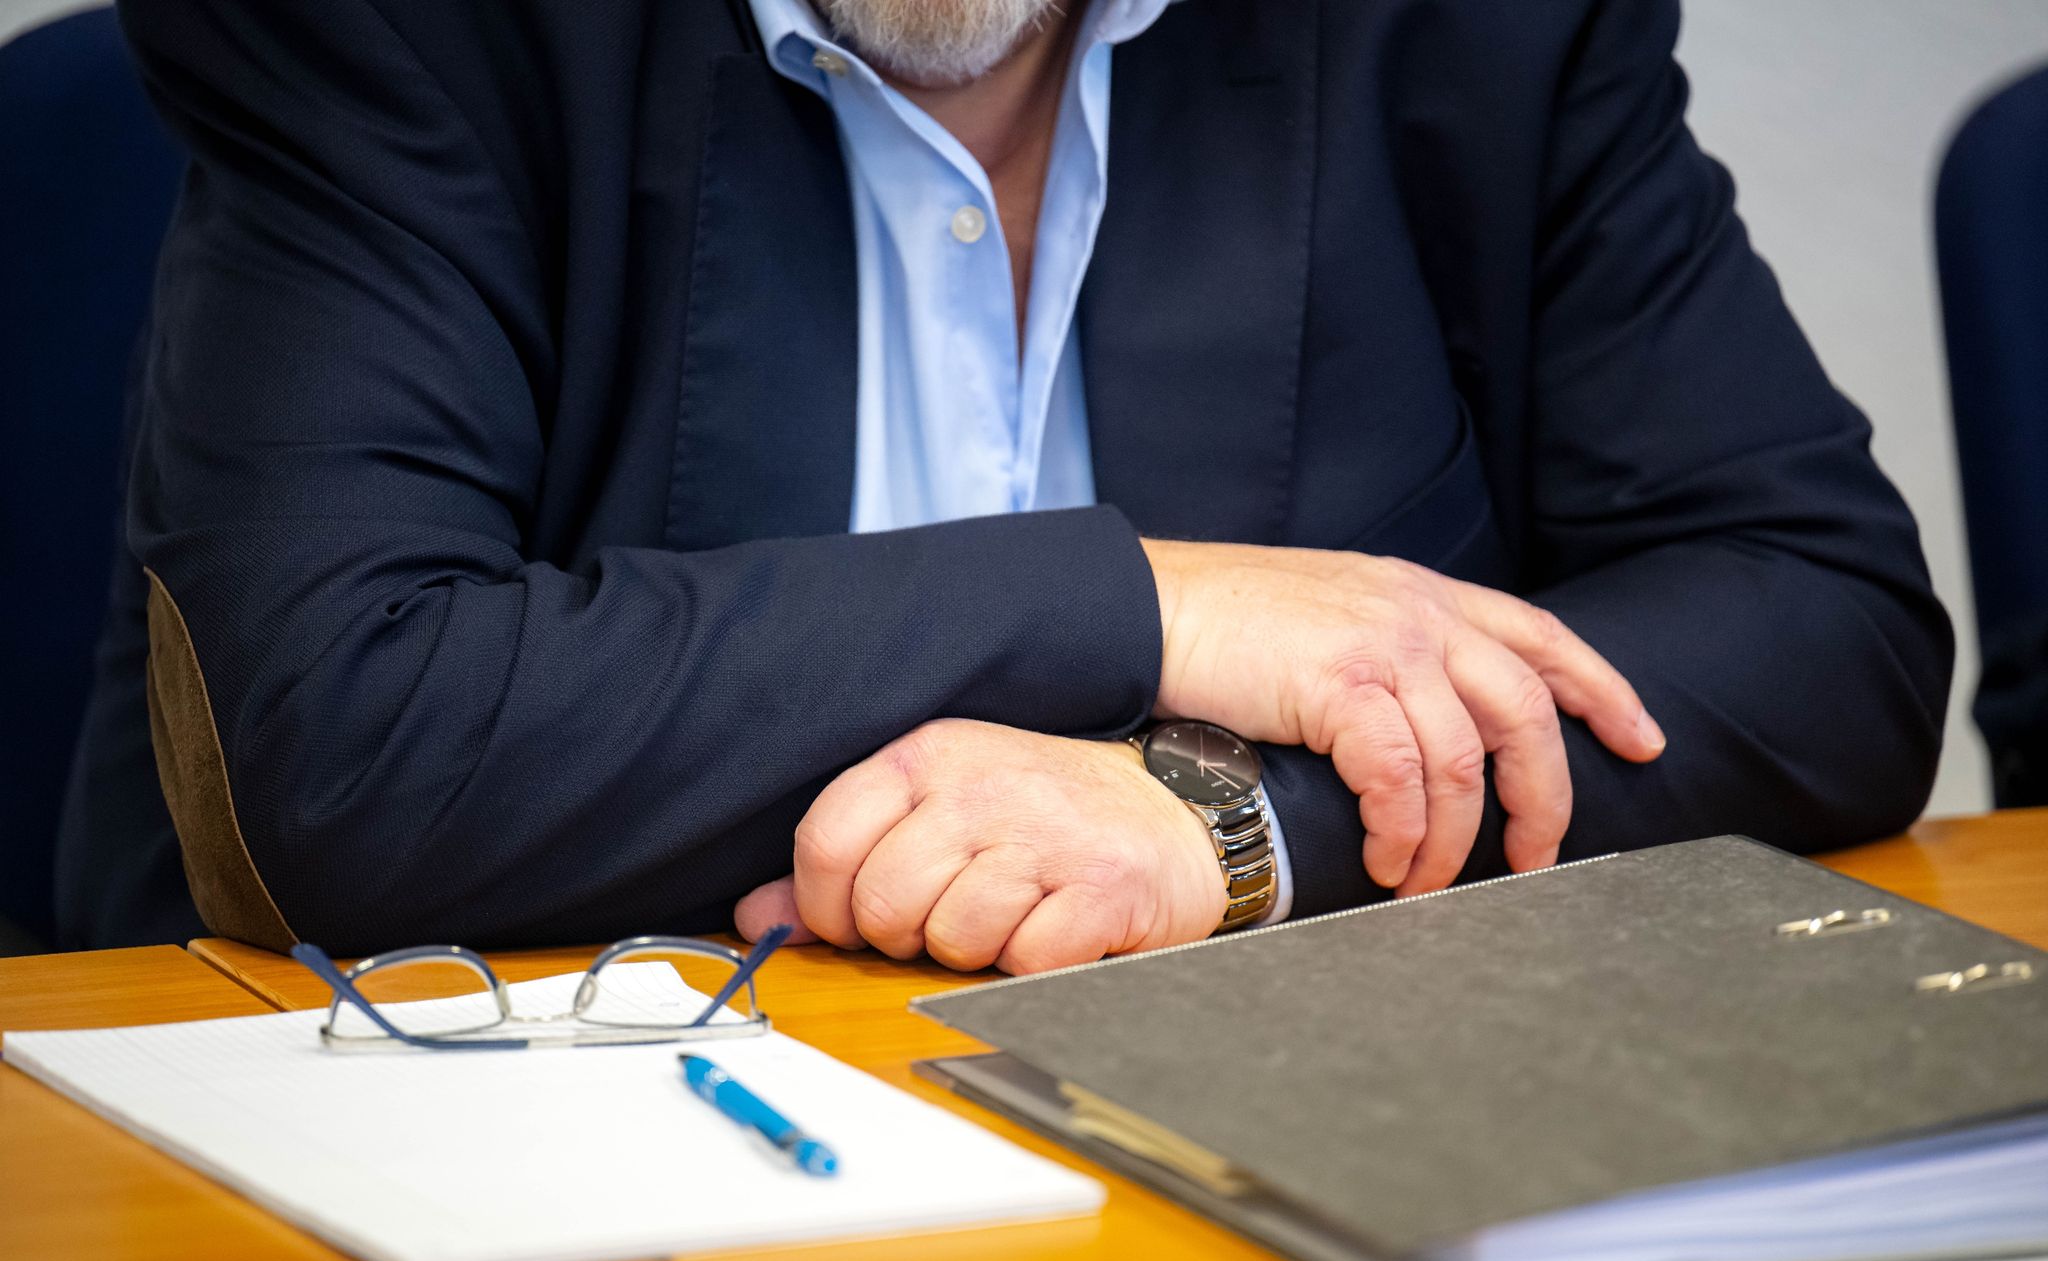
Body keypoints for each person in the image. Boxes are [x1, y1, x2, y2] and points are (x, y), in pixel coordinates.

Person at [59, 0, 1951, 972]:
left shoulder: (1462, 24)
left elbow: (1818, 623)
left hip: (1239, 1149)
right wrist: (1160, 606)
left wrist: (1214, 821)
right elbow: (335, 741)